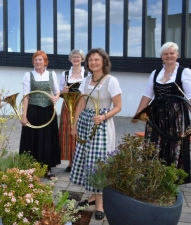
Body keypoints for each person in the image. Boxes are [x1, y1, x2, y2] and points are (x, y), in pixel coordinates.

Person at [133, 42, 191, 184]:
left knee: (174, 146)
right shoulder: (155, 73)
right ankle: (152, 178)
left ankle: (171, 180)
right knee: (153, 144)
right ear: (162, 57)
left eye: (172, 53)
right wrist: (138, 113)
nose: (169, 56)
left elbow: (190, 97)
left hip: (176, 115)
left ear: (177, 55)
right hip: (156, 114)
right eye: (166, 54)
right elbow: (147, 95)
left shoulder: (184, 72)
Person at [70, 48, 122, 220]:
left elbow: (118, 106)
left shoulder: (111, 81)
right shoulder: (85, 80)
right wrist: (74, 124)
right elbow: (80, 104)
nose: (93, 62)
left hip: (102, 126)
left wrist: (103, 116)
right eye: (91, 60)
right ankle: (92, 196)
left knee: (97, 163)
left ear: (104, 62)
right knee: (86, 160)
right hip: (85, 123)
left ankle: (100, 204)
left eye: (97, 60)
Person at [19, 50, 61, 178]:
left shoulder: (51, 74)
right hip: (33, 110)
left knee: (47, 140)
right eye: (36, 59)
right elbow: (26, 96)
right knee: (32, 139)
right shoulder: (28, 75)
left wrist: (55, 98)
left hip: (48, 111)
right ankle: (31, 169)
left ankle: (47, 169)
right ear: (33, 62)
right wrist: (24, 115)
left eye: (40, 59)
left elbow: (57, 92)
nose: (38, 62)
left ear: (45, 61)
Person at [59, 49, 88, 172]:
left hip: (82, 106)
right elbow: (58, 93)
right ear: (70, 59)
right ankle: (71, 162)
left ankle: (81, 162)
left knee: (81, 132)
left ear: (82, 59)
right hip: (67, 107)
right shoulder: (65, 74)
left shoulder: (87, 74)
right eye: (74, 57)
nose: (76, 59)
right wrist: (63, 91)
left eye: (78, 57)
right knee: (68, 133)